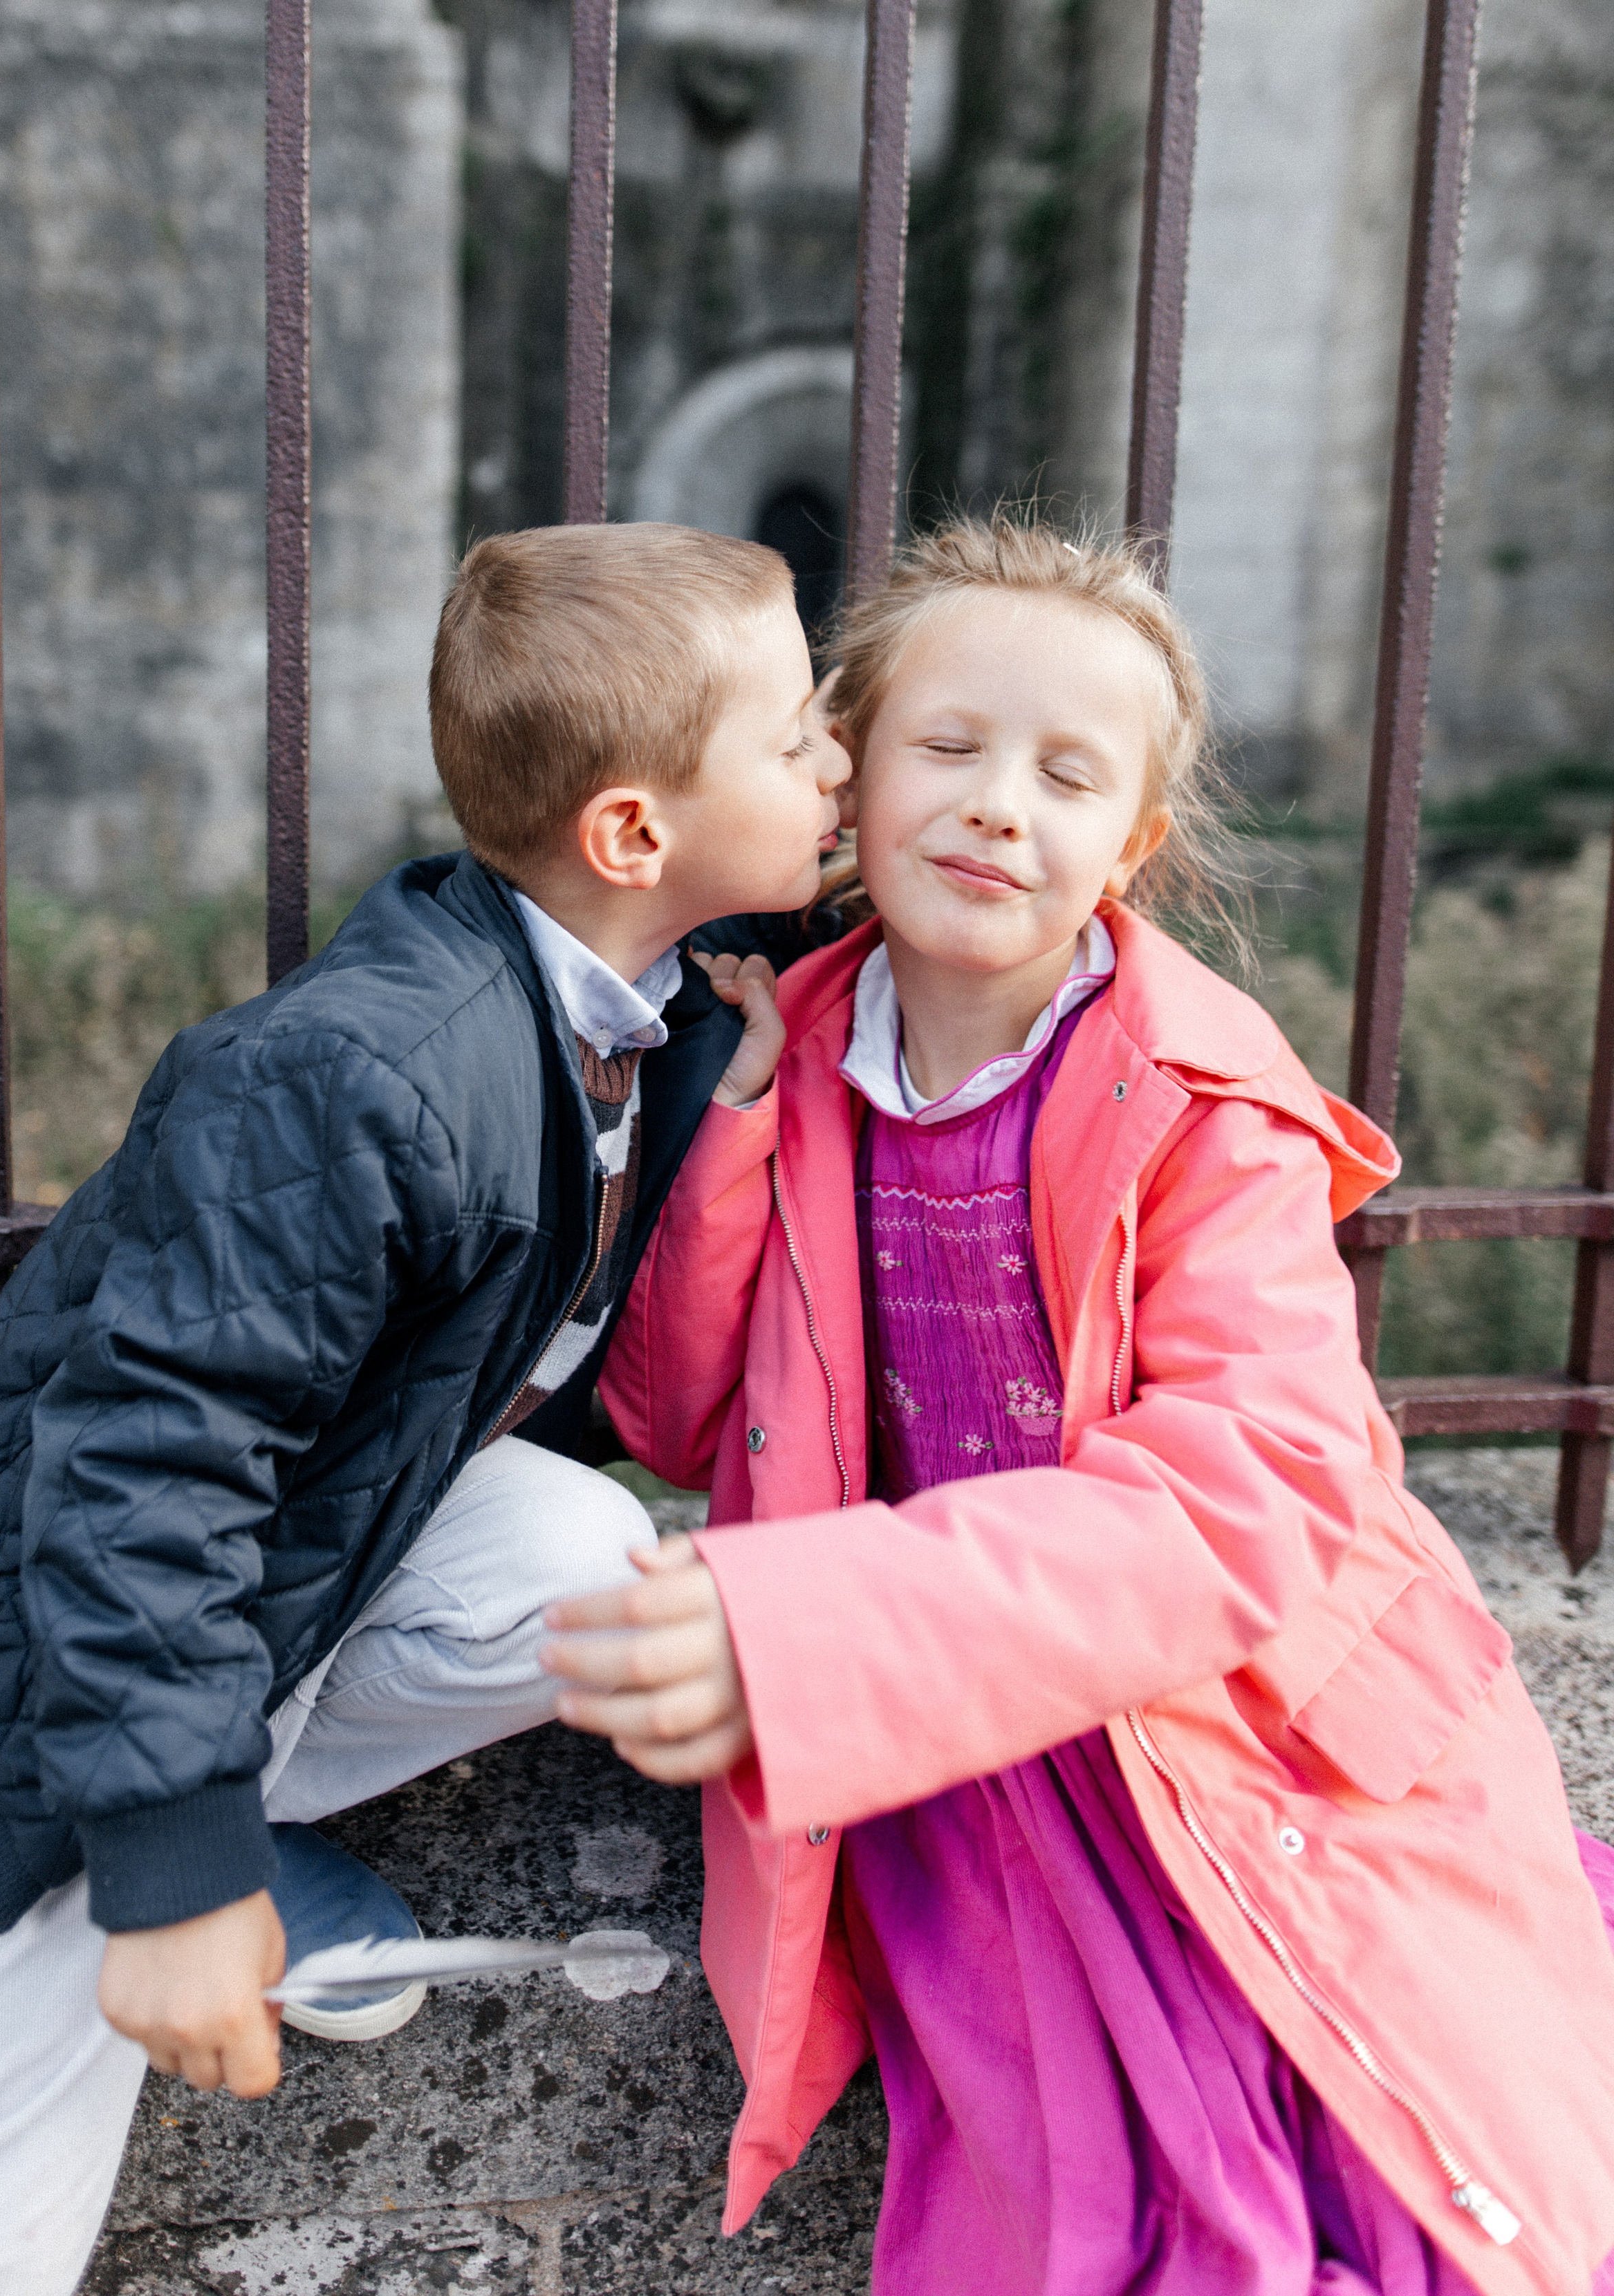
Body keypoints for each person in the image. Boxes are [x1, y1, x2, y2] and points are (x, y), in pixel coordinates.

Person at [542, 514, 1614, 2296]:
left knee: (1386, 2168)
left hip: (1244, 1736)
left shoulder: (1202, 1106)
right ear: (848, 774)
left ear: (1131, 841)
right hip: (979, 1785)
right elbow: (669, 1412)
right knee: (1081, 2209)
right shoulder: (791, 1051)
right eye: (946, 746)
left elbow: (1245, 1490)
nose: (993, 804)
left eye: (1063, 774)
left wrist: (818, 1621)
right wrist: (726, 1124)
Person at [0, 520, 851, 2296]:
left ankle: (262, 1816)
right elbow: (138, 1472)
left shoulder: (653, 982)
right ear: (636, 831)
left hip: (301, 1559)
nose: (837, 761)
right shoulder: (362, 1081)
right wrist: (171, 1871)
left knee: (593, 1562)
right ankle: (190, 1843)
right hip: (63, 1639)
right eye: (798, 737)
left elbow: (883, 868)